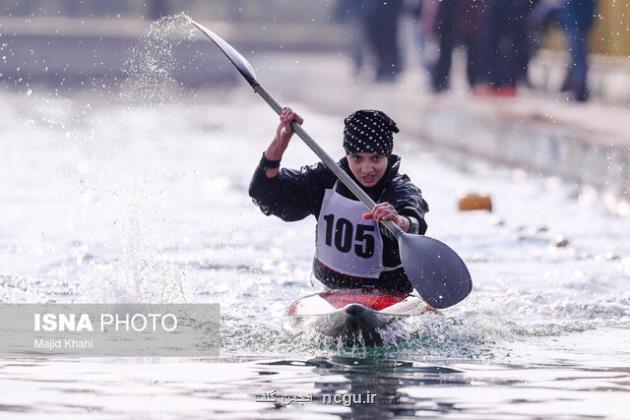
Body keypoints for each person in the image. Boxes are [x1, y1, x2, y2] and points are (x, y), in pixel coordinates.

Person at [249, 108, 429, 293]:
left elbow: (415, 223)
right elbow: (265, 194)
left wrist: (399, 222)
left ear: (387, 156)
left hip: (389, 294)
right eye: (357, 158)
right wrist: (281, 141)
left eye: (375, 158)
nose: (366, 169)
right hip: (331, 293)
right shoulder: (324, 180)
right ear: (347, 154)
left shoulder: (399, 189)